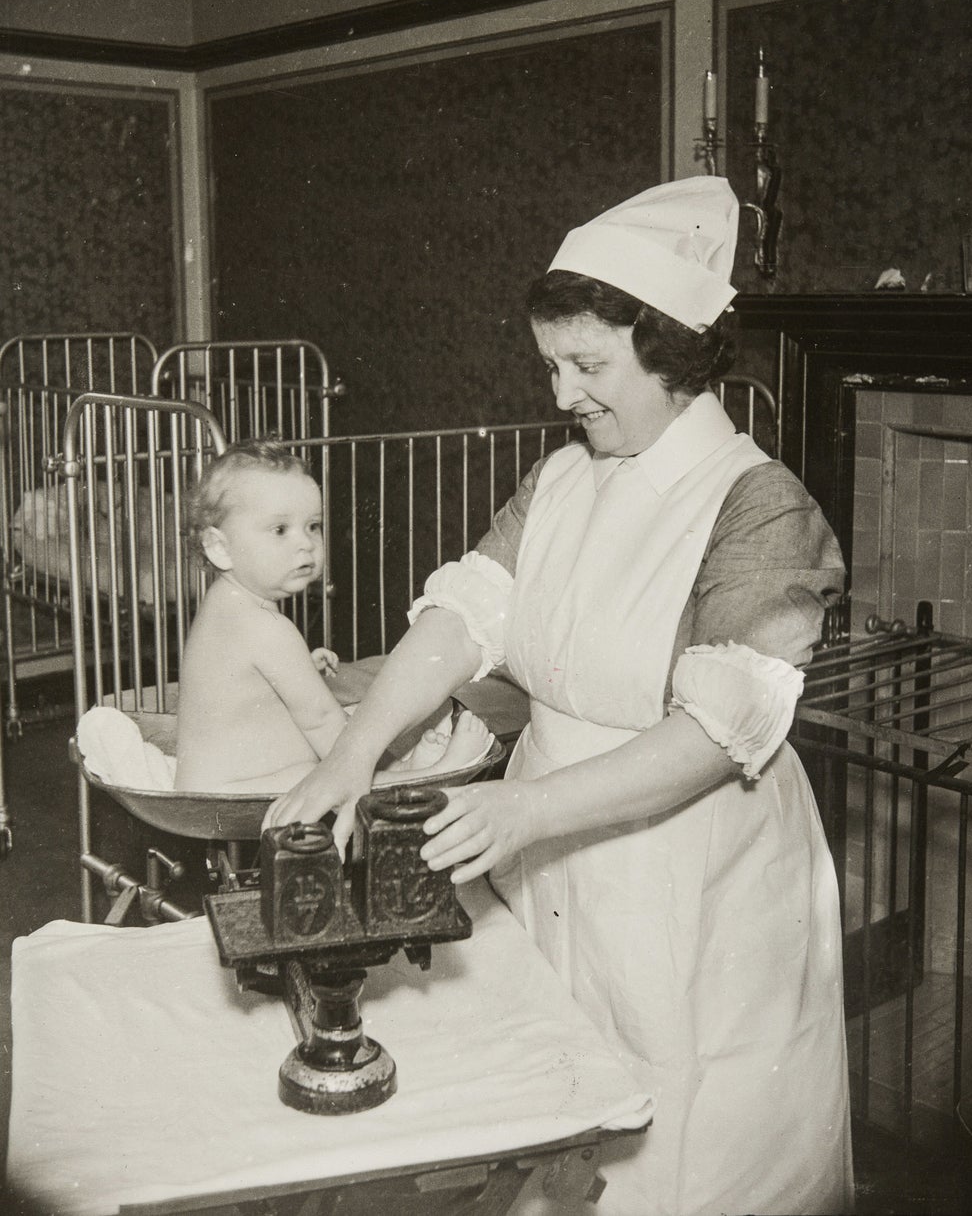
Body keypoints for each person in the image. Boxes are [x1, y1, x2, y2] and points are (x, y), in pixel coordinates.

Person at [264, 179, 854, 1215]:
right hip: (544, 840)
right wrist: (351, 752)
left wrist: (525, 808)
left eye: (588, 365)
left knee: (686, 1134)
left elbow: (718, 735)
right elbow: (463, 617)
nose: (563, 393)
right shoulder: (564, 478)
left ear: (671, 353)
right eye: (551, 364)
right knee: (556, 1116)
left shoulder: (761, 506)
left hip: (691, 859)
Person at [175, 440, 490, 797]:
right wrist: (374, 760)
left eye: (313, 526)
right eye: (280, 529)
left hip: (209, 780)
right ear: (220, 547)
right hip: (233, 790)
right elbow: (320, 719)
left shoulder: (224, 602)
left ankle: (400, 770)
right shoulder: (266, 627)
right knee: (327, 769)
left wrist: (300, 667)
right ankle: (411, 776)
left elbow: (239, 685)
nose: (306, 544)